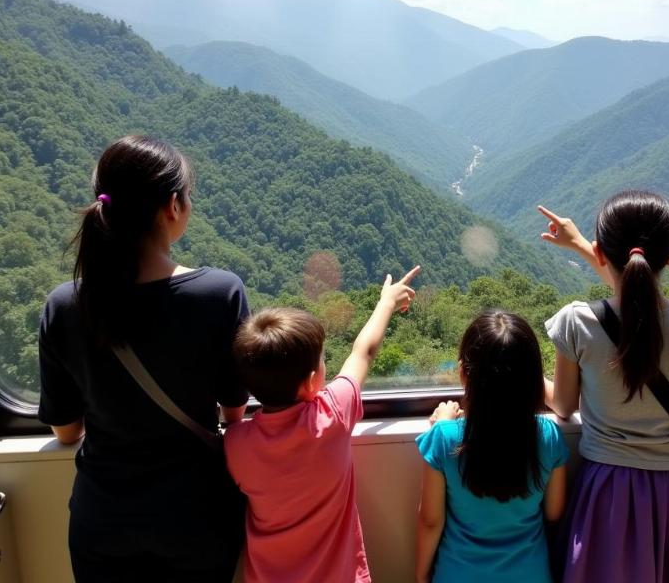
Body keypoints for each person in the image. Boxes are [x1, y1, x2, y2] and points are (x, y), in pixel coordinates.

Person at [38, 135, 249, 583]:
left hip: (103, 520)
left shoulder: (63, 306)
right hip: (196, 517)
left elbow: (65, 428)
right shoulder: (219, 294)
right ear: (173, 206)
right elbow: (234, 413)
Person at [539, 191, 669, 583]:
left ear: (601, 253)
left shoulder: (577, 323)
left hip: (605, 497)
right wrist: (585, 247)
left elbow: (563, 403)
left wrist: (520, 374)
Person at [224, 265, 421, 583]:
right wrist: (386, 302)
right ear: (312, 382)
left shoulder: (237, 445)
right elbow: (363, 352)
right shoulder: (332, 415)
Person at [415, 310, 569, 583]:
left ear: (464, 373)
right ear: (534, 380)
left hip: (458, 574)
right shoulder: (549, 436)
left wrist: (421, 576)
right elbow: (554, 512)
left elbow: (430, 521)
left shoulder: (444, 439)